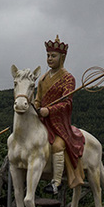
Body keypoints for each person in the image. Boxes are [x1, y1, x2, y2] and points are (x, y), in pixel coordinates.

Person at [35, 35, 86, 195]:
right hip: (41, 119)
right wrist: (35, 107)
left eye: (53, 56)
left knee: (57, 145)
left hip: (58, 121)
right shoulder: (42, 78)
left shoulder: (67, 78)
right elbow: (38, 98)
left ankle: (56, 183)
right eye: (48, 55)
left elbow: (66, 103)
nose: (49, 59)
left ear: (62, 57)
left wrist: (49, 110)